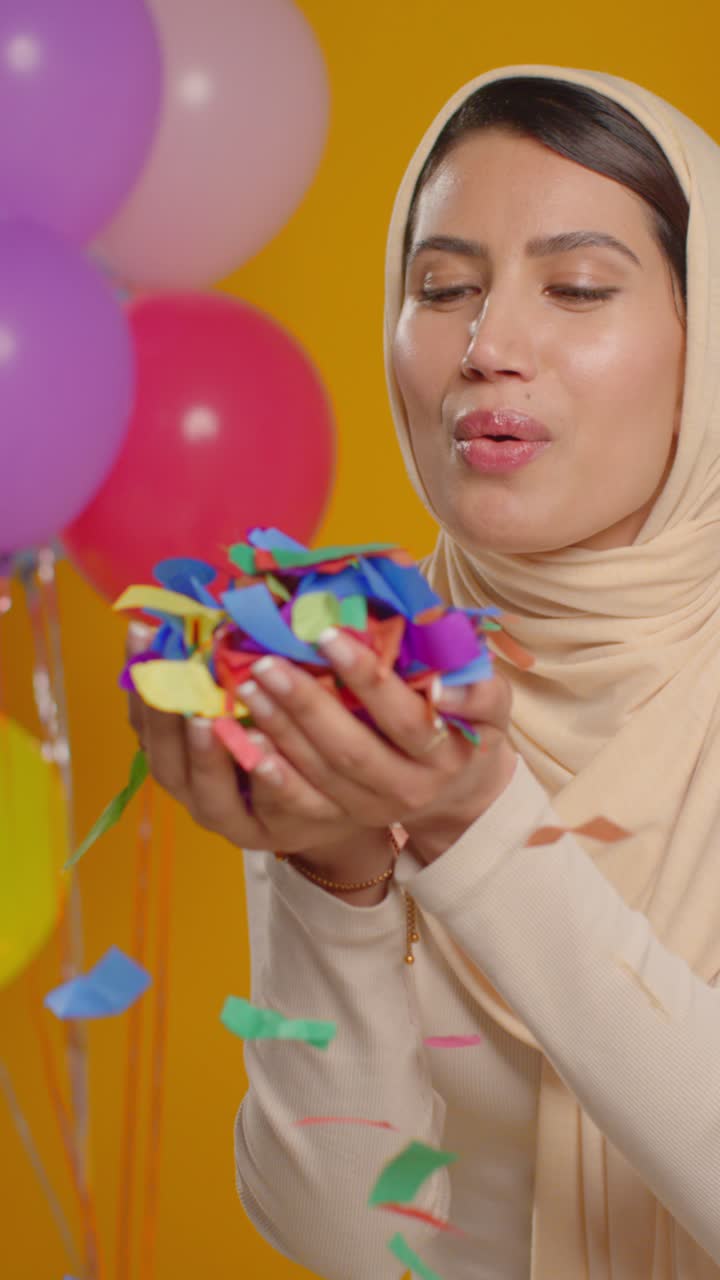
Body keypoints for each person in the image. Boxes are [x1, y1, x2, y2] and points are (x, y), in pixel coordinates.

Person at [127, 63, 720, 1279]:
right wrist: (327, 874)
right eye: (442, 287)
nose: (489, 344)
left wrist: (475, 827)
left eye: (577, 286)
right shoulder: (355, 680)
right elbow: (361, 1242)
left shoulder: (435, 758)